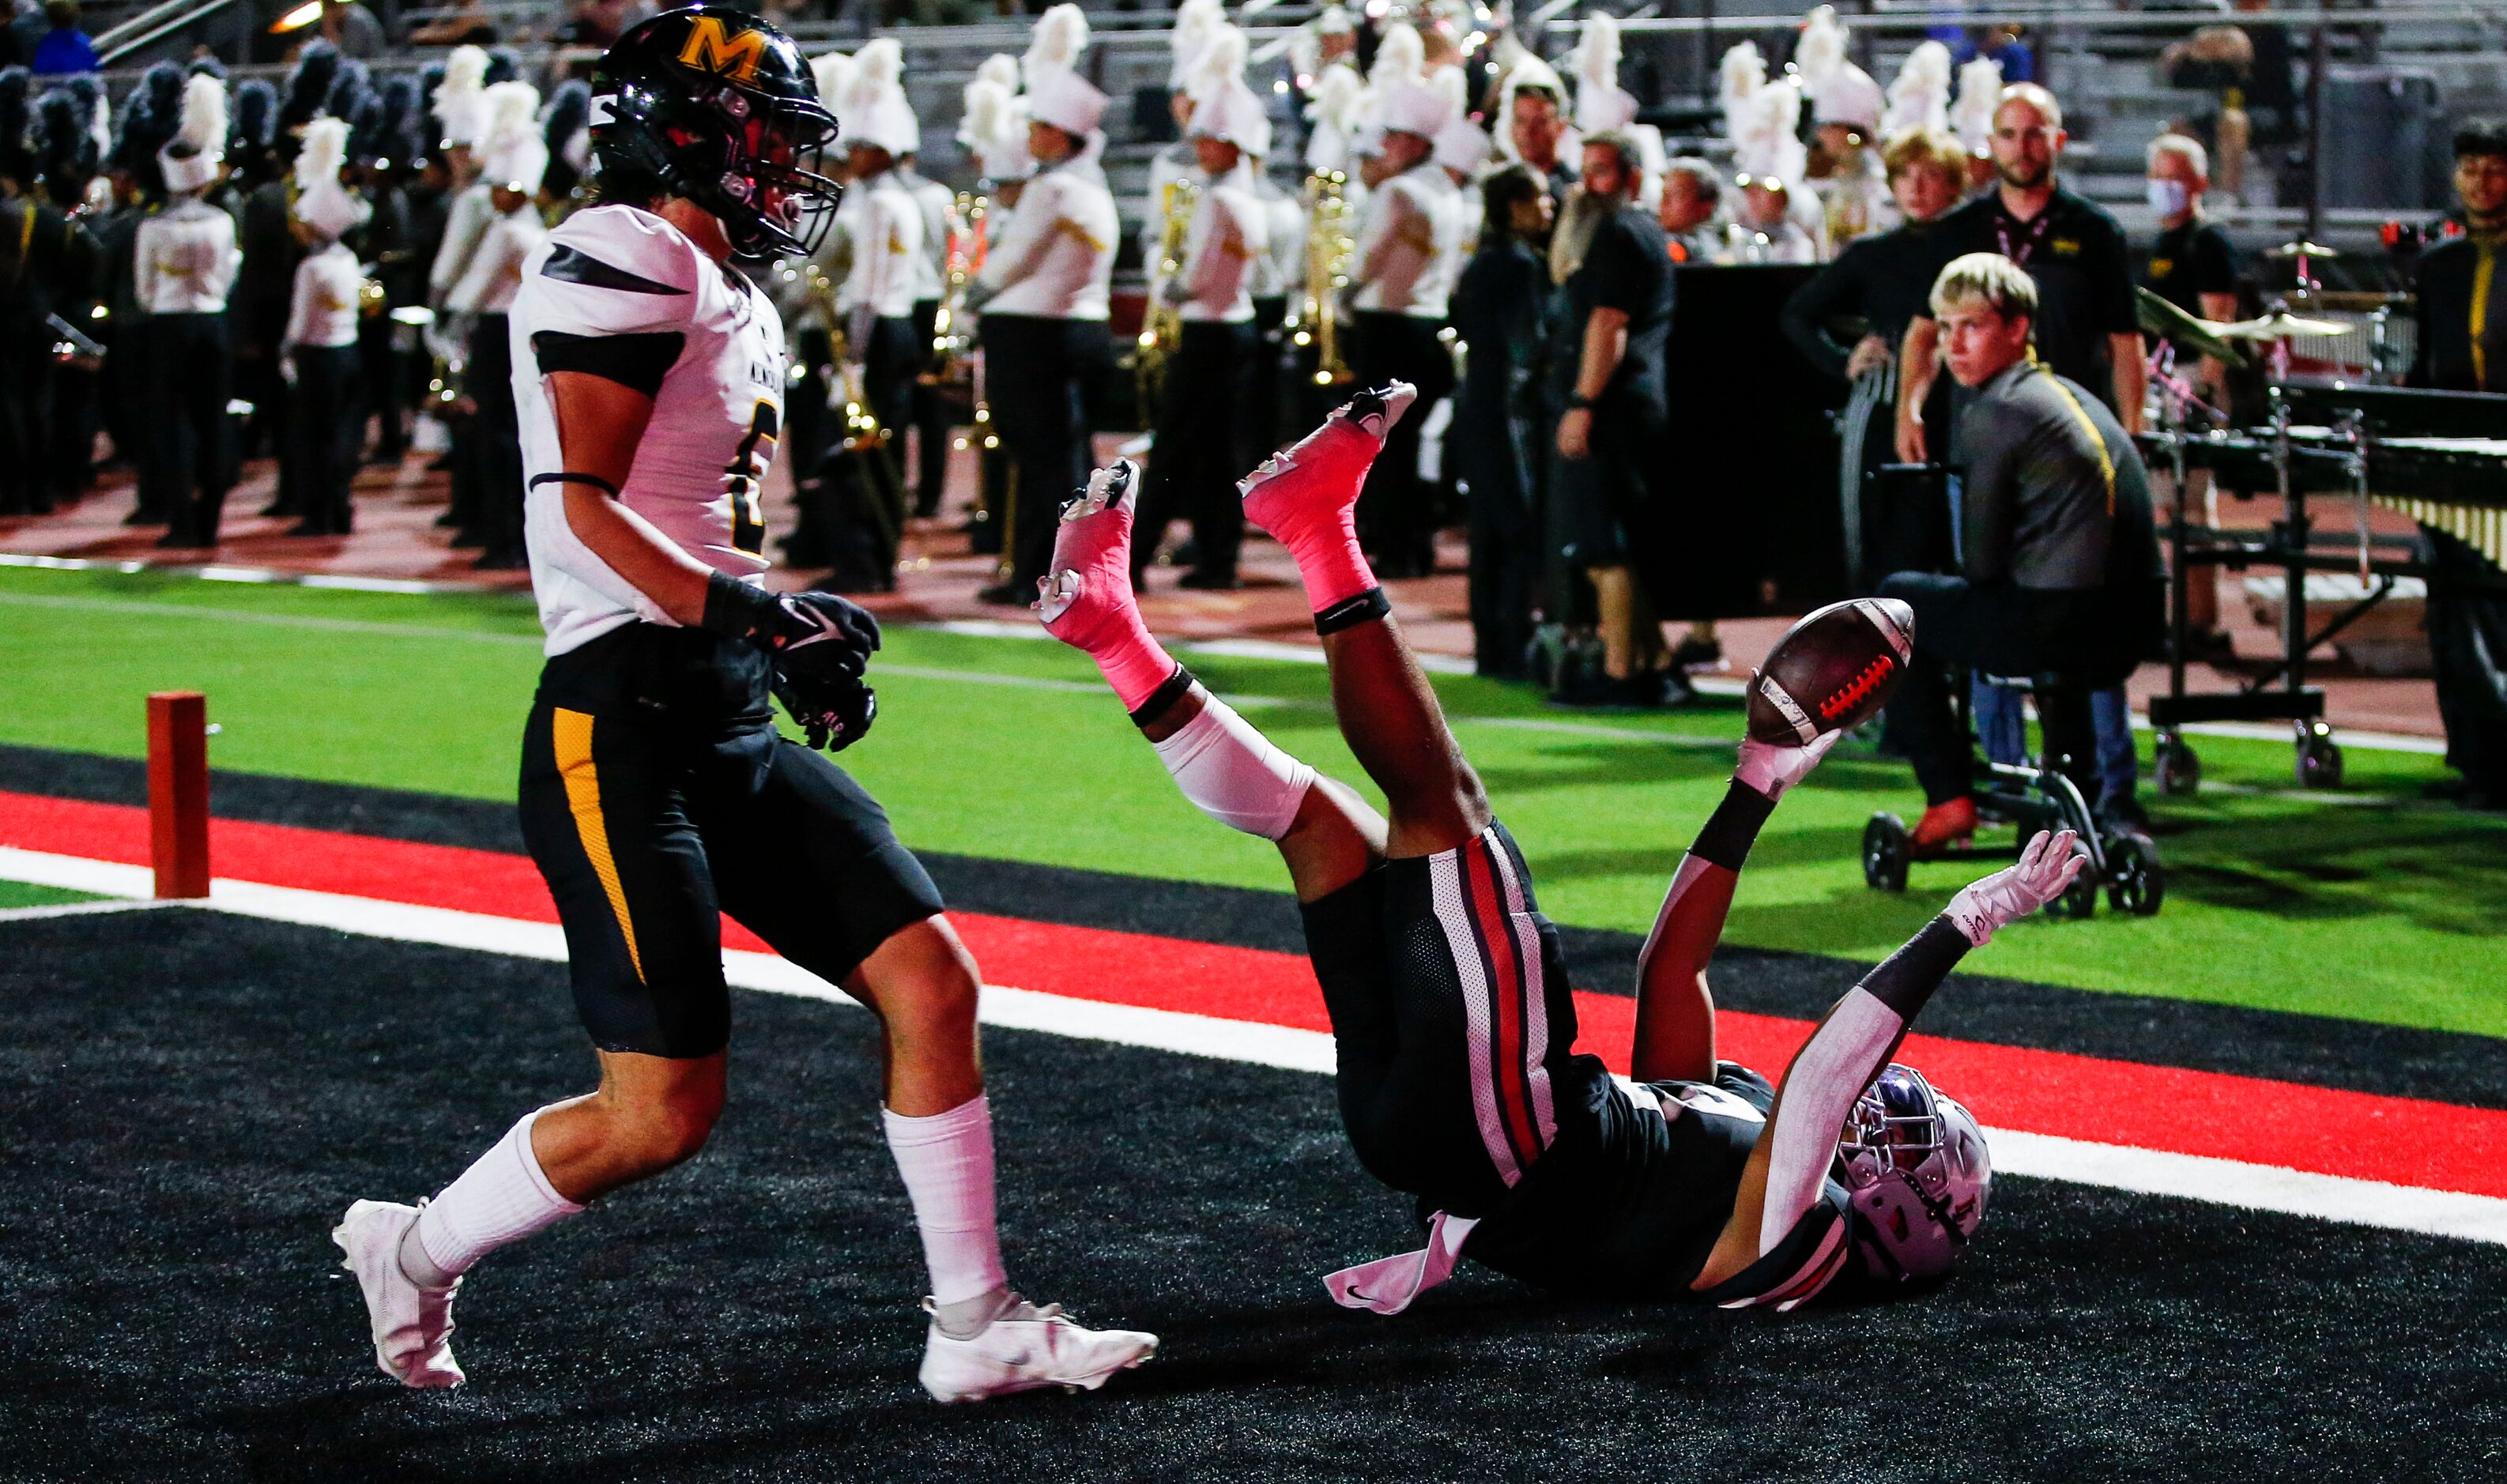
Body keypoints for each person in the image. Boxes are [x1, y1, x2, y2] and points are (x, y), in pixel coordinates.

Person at [330, 6, 1156, 1402]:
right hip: (619, 726)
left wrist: (773, 637)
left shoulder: (727, 280)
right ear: (689, 132)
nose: (785, 165)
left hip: (719, 708)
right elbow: (579, 508)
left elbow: (691, 522)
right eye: (766, 134)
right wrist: (749, 610)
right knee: (662, 1111)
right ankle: (411, 1248)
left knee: (930, 980)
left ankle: (975, 1323)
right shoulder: (624, 253)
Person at [1035, 390, 2064, 1317]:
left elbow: (1825, 1077)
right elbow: (1674, 970)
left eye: (1916, 1145)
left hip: (1514, 1133)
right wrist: (1754, 785)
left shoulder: (1803, 1235)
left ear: (1904, 1214)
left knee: (1447, 808)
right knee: (1330, 830)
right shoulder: (1738, 1162)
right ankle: (1110, 630)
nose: (1893, 1115)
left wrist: (1972, 915)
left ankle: (1317, 525)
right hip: (1451, 1134)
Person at [1877, 254, 2165, 853]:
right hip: (2133, 623)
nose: (1953, 345)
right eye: (1945, 327)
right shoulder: (2077, 396)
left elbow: (1980, 565)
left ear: (2017, 329)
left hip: (2062, 623)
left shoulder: (1998, 411)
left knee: (1890, 609)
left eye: (1972, 326)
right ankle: (2077, 797)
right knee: (2038, 598)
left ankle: (1947, 794)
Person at [967, 4, 1116, 606]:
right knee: (1072, 455)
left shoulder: (1051, 187)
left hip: (1030, 333)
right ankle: (1084, 564)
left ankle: (1036, 566)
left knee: (1037, 461)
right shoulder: (1095, 189)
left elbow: (1011, 262)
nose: (1029, 140)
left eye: (1036, 129)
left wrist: (972, 296)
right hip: (1083, 328)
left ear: (1058, 133)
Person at [1780, 126, 1966, 588]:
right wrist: (1842, 359)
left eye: (1930, 175)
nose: (1916, 188)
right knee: (1878, 539)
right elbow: (1797, 314)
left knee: (1957, 539)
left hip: (1962, 406)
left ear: (1954, 183)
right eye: (1905, 176)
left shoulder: (1975, 247)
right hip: (1881, 408)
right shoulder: (1873, 254)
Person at [1132, 25, 1269, 591]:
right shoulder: (1251, 199)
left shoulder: (1217, 199)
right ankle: (1218, 557)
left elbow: (1192, 277)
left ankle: (1134, 556)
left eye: (1210, 138)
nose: (1200, 145)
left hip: (1205, 331)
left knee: (1171, 451)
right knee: (1218, 455)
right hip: (1235, 325)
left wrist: (1167, 288)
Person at [1552, 130, 1680, 707]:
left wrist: (1582, 404)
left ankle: (1620, 670)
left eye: (1602, 171)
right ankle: (1655, 661)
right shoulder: (1645, 229)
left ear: (1629, 175)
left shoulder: (1618, 233)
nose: (1589, 185)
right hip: (1635, 401)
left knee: (1605, 548)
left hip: (1613, 405)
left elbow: (1608, 324)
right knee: (1616, 539)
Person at [2406, 119, 2507, 808]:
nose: (2481, 181)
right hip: (2448, 463)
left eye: (2494, 168)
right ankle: (2471, 753)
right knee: (2452, 609)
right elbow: (2420, 369)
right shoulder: (2437, 264)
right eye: (2470, 168)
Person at [1344, 73, 1464, 578]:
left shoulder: (1397, 192)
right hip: (1429, 323)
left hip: (1387, 326)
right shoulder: (1450, 192)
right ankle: (1415, 544)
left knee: (1382, 447)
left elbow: (1367, 260)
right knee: (1411, 446)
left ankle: (1394, 547)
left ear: (1414, 142)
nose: (1387, 147)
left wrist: (1340, 294)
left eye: (1393, 137)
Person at [2138, 132, 2240, 655]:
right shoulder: (2162, 243)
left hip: (2189, 383)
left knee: (2188, 508)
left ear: (2199, 182)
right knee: (2173, 508)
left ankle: (2200, 622)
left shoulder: (2207, 242)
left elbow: (2218, 323)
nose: (2163, 187)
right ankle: (2188, 618)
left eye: (2173, 176)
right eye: (2157, 175)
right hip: (2163, 380)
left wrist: (2204, 394)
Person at [1450, 164, 1549, 679]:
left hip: (1477, 401)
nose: (1548, 209)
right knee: (1518, 528)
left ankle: (1490, 642)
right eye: (1540, 200)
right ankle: (1514, 641)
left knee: (1487, 530)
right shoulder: (1519, 264)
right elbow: (1527, 343)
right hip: (1507, 408)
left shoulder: (1480, 262)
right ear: (1515, 206)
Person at [442, 79, 548, 566]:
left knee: (496, 437)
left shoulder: (508, 232)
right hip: (523, 334)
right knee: (513, 437)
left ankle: (503, 534)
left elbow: (472, 287)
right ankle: (509, 531)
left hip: (495, 332)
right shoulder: (537, 230)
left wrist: (448, 318)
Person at [135, 72, 241, 549]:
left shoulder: (155, 228)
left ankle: (181, 520)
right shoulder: (222, 222)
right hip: (213, 319)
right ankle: (211, 518)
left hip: (169, 322)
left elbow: (144, 287)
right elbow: (228, 274)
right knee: (213, 418)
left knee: (174, 422)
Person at [282, 117, 370, 539]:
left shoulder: (312, 266)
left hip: (317, 357)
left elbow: (301, 324)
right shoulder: (348, 260)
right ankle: (339, 508)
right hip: (347, 352)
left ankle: (317, 514)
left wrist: (288, 353)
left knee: (314, 440)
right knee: (340, 439)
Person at [1655, 157, 1718, 263]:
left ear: (1706, 206)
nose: (1664, 202)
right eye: (1664, 194)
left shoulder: (1729, 244)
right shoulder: (1648, 241)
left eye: (1676, 195)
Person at [28, 2, 96, 75]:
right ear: (76, 15)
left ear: (49, 18)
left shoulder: (42, 47)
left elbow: (39, 76)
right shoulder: (89, 44)